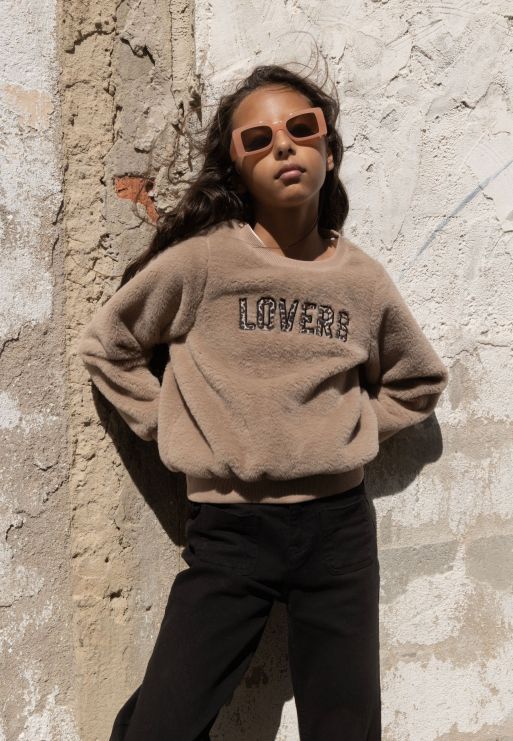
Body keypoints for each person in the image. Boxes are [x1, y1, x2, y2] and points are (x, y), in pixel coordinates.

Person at [77, 62, 449, 741]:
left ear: (328, 147)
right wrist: (172, 424)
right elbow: (110, 344)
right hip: (229, 533)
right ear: (236, 167)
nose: (283, 145)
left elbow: (417, 380)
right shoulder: (204, 262)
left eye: (301, 128)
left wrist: (353, 428)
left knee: (345, 729)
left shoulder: (361, 281)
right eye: (258, 138)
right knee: (161, 725)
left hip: (337, 532)